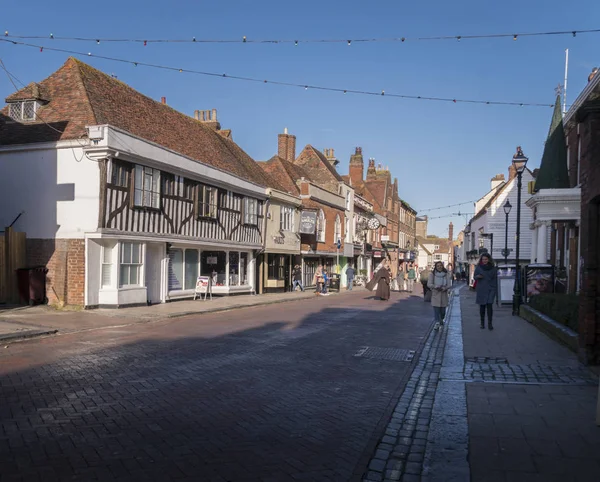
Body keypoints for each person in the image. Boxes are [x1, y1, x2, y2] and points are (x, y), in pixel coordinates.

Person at [474, 254, 498, 330]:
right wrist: (478, 277)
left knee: (489, 306)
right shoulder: (478, 268)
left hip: (491, 289)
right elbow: (475, 276)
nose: (484, 261)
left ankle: (490, 324)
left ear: (489, 260)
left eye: (486, 259)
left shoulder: (493, 269)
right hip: (481, 289)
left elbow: (495, 279)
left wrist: (494, 288)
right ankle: (482, 323)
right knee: (482, 307)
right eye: (483, 259)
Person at [428, 261, 451, 327]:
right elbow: (429, 284)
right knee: (436, 310)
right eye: (438, 266)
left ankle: (441, 319)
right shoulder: (432, 274)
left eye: (440, 265)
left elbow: (449, 284)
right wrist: (435, 286)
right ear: (435, 267)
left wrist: (445, 288)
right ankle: (437, 322)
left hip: (444, 294)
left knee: (443, 311)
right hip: (436, 294)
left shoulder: (446, 274)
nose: (439, 267)